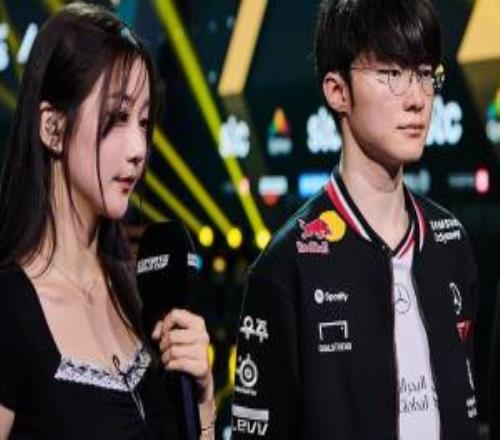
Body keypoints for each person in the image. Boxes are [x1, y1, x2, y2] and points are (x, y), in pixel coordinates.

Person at [231, 0, 479, 438]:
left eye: (425, 74)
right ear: (337, 90)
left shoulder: (451, 242)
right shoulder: (287, 266)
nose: (417, 99)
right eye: (391, 73)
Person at [0, 3, 215, 439]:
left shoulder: (139, 297)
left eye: (143, 122)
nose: (138, 149)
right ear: (52, 127)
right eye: (117, 117)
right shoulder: (8, 309)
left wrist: (204, 396)